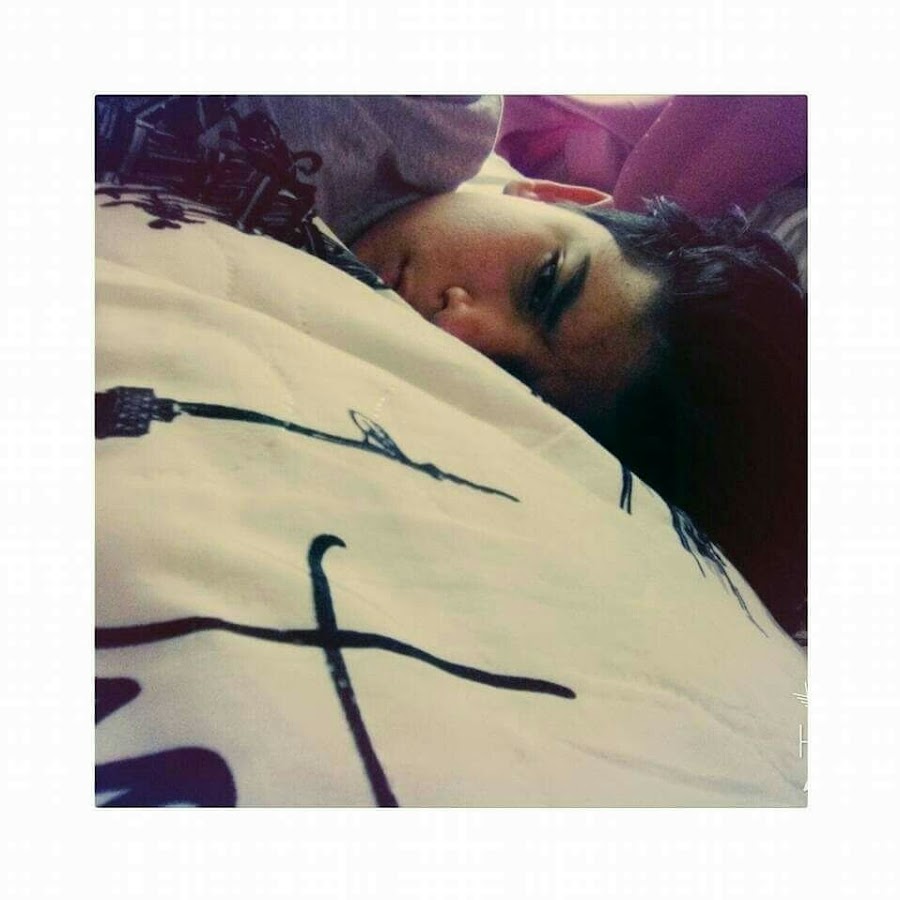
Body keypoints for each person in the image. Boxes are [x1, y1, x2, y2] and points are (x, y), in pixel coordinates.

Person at [95, 95, 807, 637]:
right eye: (544, 283)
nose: (458, 331)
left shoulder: (295, 378)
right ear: (554, 196)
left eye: (510, 387)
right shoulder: (422, 112)